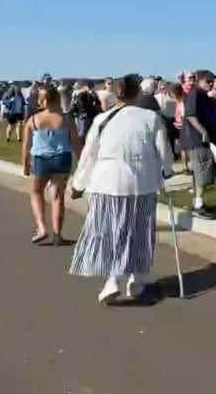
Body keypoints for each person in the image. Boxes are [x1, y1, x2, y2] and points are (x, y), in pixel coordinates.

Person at [69, 74, 175, 305]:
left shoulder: (102, 119)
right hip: (142, 183)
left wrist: (78, 184)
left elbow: (89, 155)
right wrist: (167, 171)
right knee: (140, 232)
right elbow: (163, 150)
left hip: (107, 183)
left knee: (111, 231)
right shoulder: (150, 117)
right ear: (137, 93)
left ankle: (114, 280)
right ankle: (136, 282)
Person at [22, 87, 82, 246]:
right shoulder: (67, 119)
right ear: (58, 99)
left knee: (36, 192)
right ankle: (57, 234)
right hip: (62, 158)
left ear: (41, 101)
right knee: (57, 197)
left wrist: (25, 164)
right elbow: (76, 142)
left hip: (40, 159)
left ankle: (42, 227)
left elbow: (26, 146)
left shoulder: (33, 120)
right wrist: (82, 161)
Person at [182, 70, 216, 219]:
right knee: (203, 171)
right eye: (208, 81)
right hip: (197, 139)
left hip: (200, 139)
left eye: (212, 82)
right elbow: (191, 114)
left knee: (200, 172)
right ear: (200, 80)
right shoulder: (196, 93)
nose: (211, 85)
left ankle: (197, 202)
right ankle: (199, 205)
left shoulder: (202, 94)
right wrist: (203, 131)